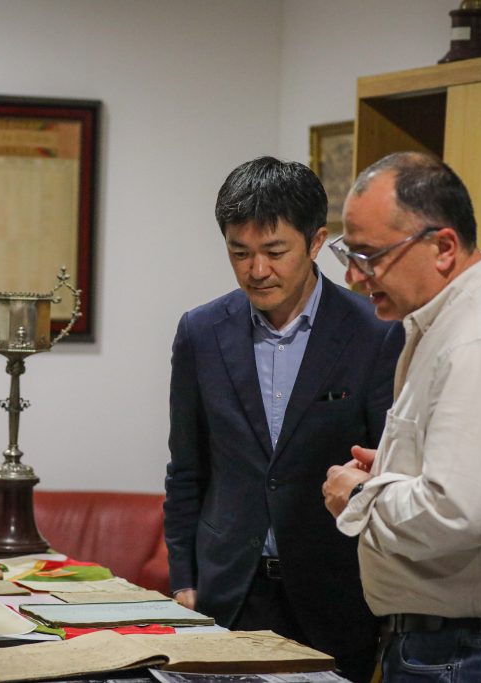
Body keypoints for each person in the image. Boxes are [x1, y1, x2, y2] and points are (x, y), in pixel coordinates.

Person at [321, 151, 481, 682]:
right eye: (348, 254)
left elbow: (453, 515)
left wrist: (359, 495)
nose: (352, 276)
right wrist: (396, 467)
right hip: (463, 645)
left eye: (369, 256)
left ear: (442, 247)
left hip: (474, 651)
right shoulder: (454, 322)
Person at [164, 156, 404, 683]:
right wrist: (184, 580)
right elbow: (186, 470)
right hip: (229, 593)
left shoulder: (375, 332)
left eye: (275, 252)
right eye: (239, 252)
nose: (257, 270)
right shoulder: (201, 332)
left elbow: (391, 468)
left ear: (316, 243)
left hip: (336, 597)